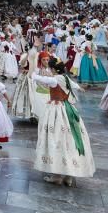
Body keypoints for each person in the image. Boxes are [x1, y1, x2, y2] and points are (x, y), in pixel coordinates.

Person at [30, 58, 96, 187]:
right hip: (69, 110)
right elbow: (74, 85)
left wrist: (32, 70)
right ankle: (69, 176)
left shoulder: (54, 80)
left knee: (55, 140)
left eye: (50, 68)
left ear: (53, 69)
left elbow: (38, 78)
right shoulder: (65, 78)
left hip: (56, 111)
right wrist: (80, 88)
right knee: (70, 141)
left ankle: (57, 175)